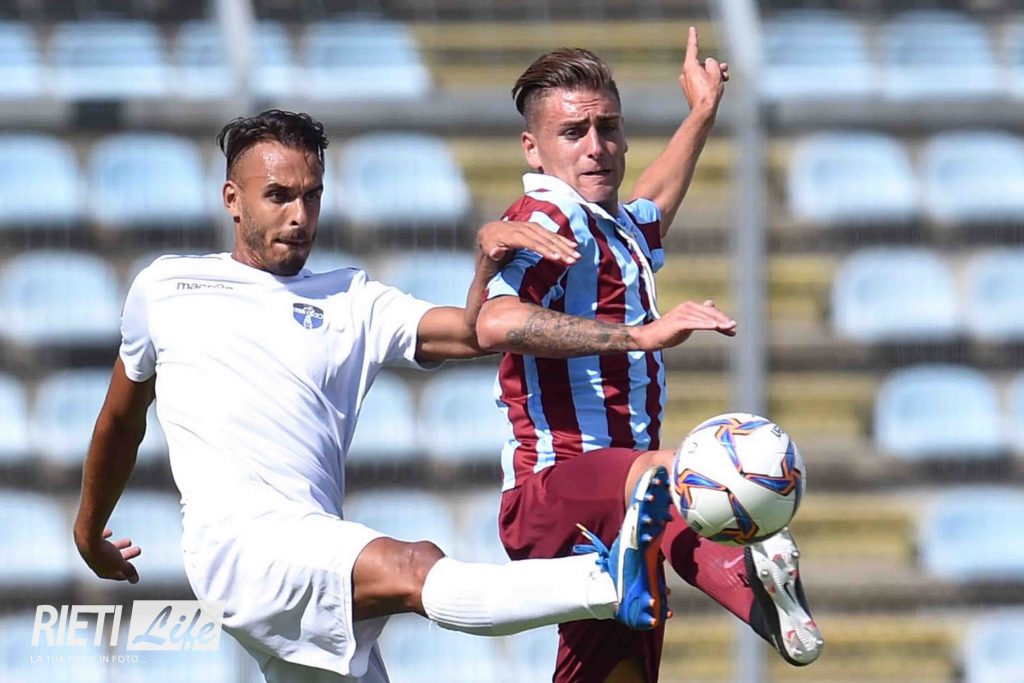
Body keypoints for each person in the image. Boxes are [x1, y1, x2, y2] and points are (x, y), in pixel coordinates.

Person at [72, 109, 677, 683]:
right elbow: (121, 422)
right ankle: (606, 583)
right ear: (233, 199)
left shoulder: (352, 300)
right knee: (416, 565)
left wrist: (483, 270)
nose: (299, 216)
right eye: (278, 196)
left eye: (312, 196)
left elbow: (475, 333)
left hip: (313, 542)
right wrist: (88, 532)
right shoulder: (166, 287)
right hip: (239, 549)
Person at [475, 30, 823, 682]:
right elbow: (494, 323)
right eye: (573, 132)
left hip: (627, 527)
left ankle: (757, 585)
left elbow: (654, 201)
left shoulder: (616, 227)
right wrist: (640, 335)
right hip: (555, 495)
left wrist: (701, 113)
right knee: (676, 472)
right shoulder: (549, 216)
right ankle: (749, 576)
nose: (596, 145)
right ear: (533, 149)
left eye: (607, 127)